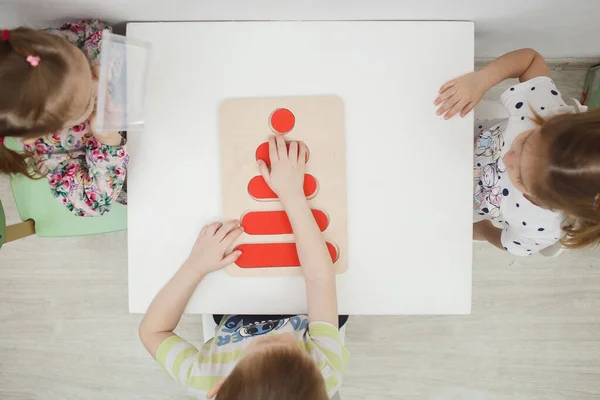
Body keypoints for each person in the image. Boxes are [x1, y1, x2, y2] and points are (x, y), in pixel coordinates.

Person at [139, 135, 349, 400]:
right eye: (295, 352)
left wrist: (195, 266)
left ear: (218, 388)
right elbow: (321, 280)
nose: (284, 338)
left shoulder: (205, 378)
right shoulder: (325, 372)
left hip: (237, 315)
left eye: (267, 343)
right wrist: (293, 195)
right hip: (310, 314)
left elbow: (152, 330)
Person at [435, 48, 600, 256]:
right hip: (451, 137)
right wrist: (482, 80)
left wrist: (483, 231)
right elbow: (530, 61)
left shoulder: (540, 227)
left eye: (520, 178)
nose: (507, 158)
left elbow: (508, 242)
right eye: (525, 142)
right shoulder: (546, 112)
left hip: (445, 199)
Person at [0, 20, 128, 217]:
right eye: (87, 103)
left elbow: (95, 29)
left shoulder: (50, 50)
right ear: (40, 134)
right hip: (136, 169)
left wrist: (98, 64)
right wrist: (108, 141)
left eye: (87, 72)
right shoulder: (49, 156)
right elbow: (93, 204)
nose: (96, 87)